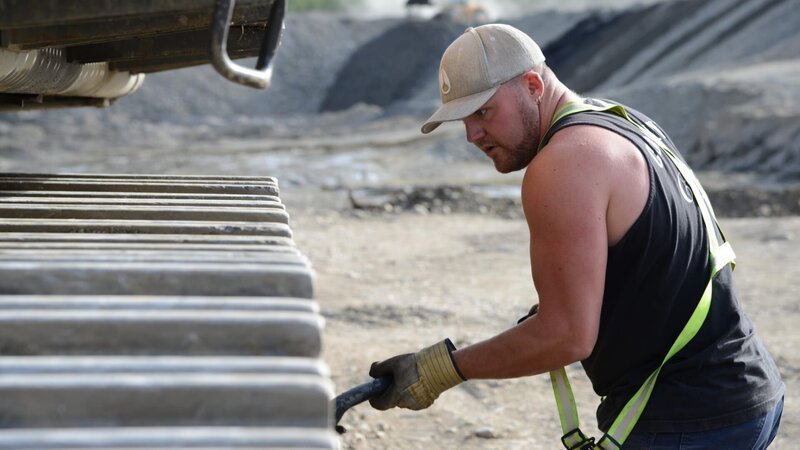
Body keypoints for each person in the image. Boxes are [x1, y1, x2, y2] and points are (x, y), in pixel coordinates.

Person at [367, 24, 785, 449]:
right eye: (464, 119)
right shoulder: (620, 122)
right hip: (746, 390)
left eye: (483, 112)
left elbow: (566, 335)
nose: (472, 135)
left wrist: (440, 369)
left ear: (532, 85)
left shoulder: (562, 164)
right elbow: (657, 264)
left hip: (693, 420)